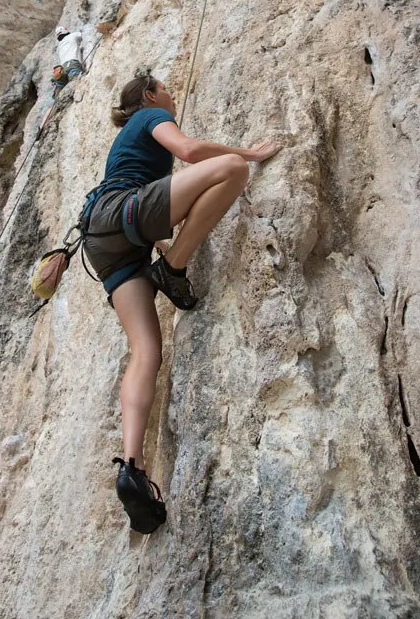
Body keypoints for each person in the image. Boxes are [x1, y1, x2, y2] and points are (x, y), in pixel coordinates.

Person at [81, 73, 281, 534]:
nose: (171, 94)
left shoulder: (126, 138)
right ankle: (171, 267)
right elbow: (188, 152)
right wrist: (248, 151)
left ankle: (133, 467)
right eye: (165, 88)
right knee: (232, 169)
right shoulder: (151, 114)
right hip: (123, 213)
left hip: (103, 243)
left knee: (146, 353)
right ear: (150, 95)